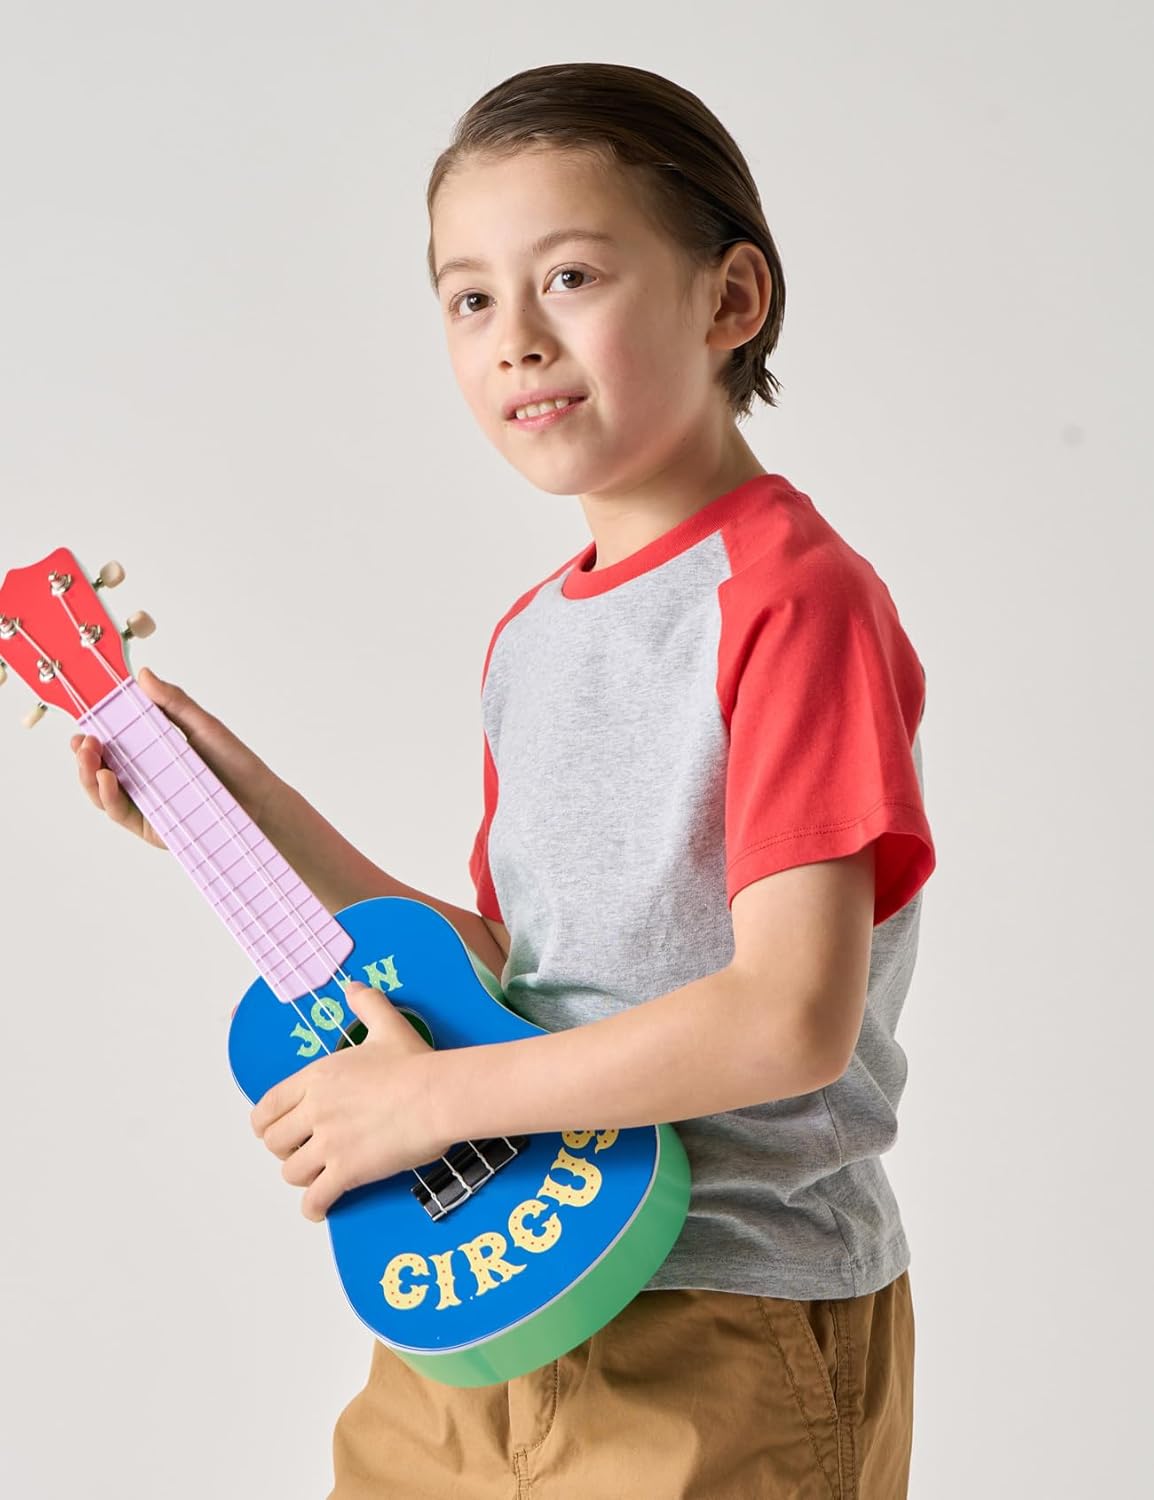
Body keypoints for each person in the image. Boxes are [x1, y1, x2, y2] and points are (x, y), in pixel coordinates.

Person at [72, 61, 935, 1500]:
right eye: (469, 298)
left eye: (571, 277)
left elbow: (789, 1017)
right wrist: (240, 809)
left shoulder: (792, 601)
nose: (517, 339)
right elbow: (509, 972)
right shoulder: (534, 638)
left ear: (730, 300)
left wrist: (428, 1108)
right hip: (493, 1290)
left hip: (723, 1313)